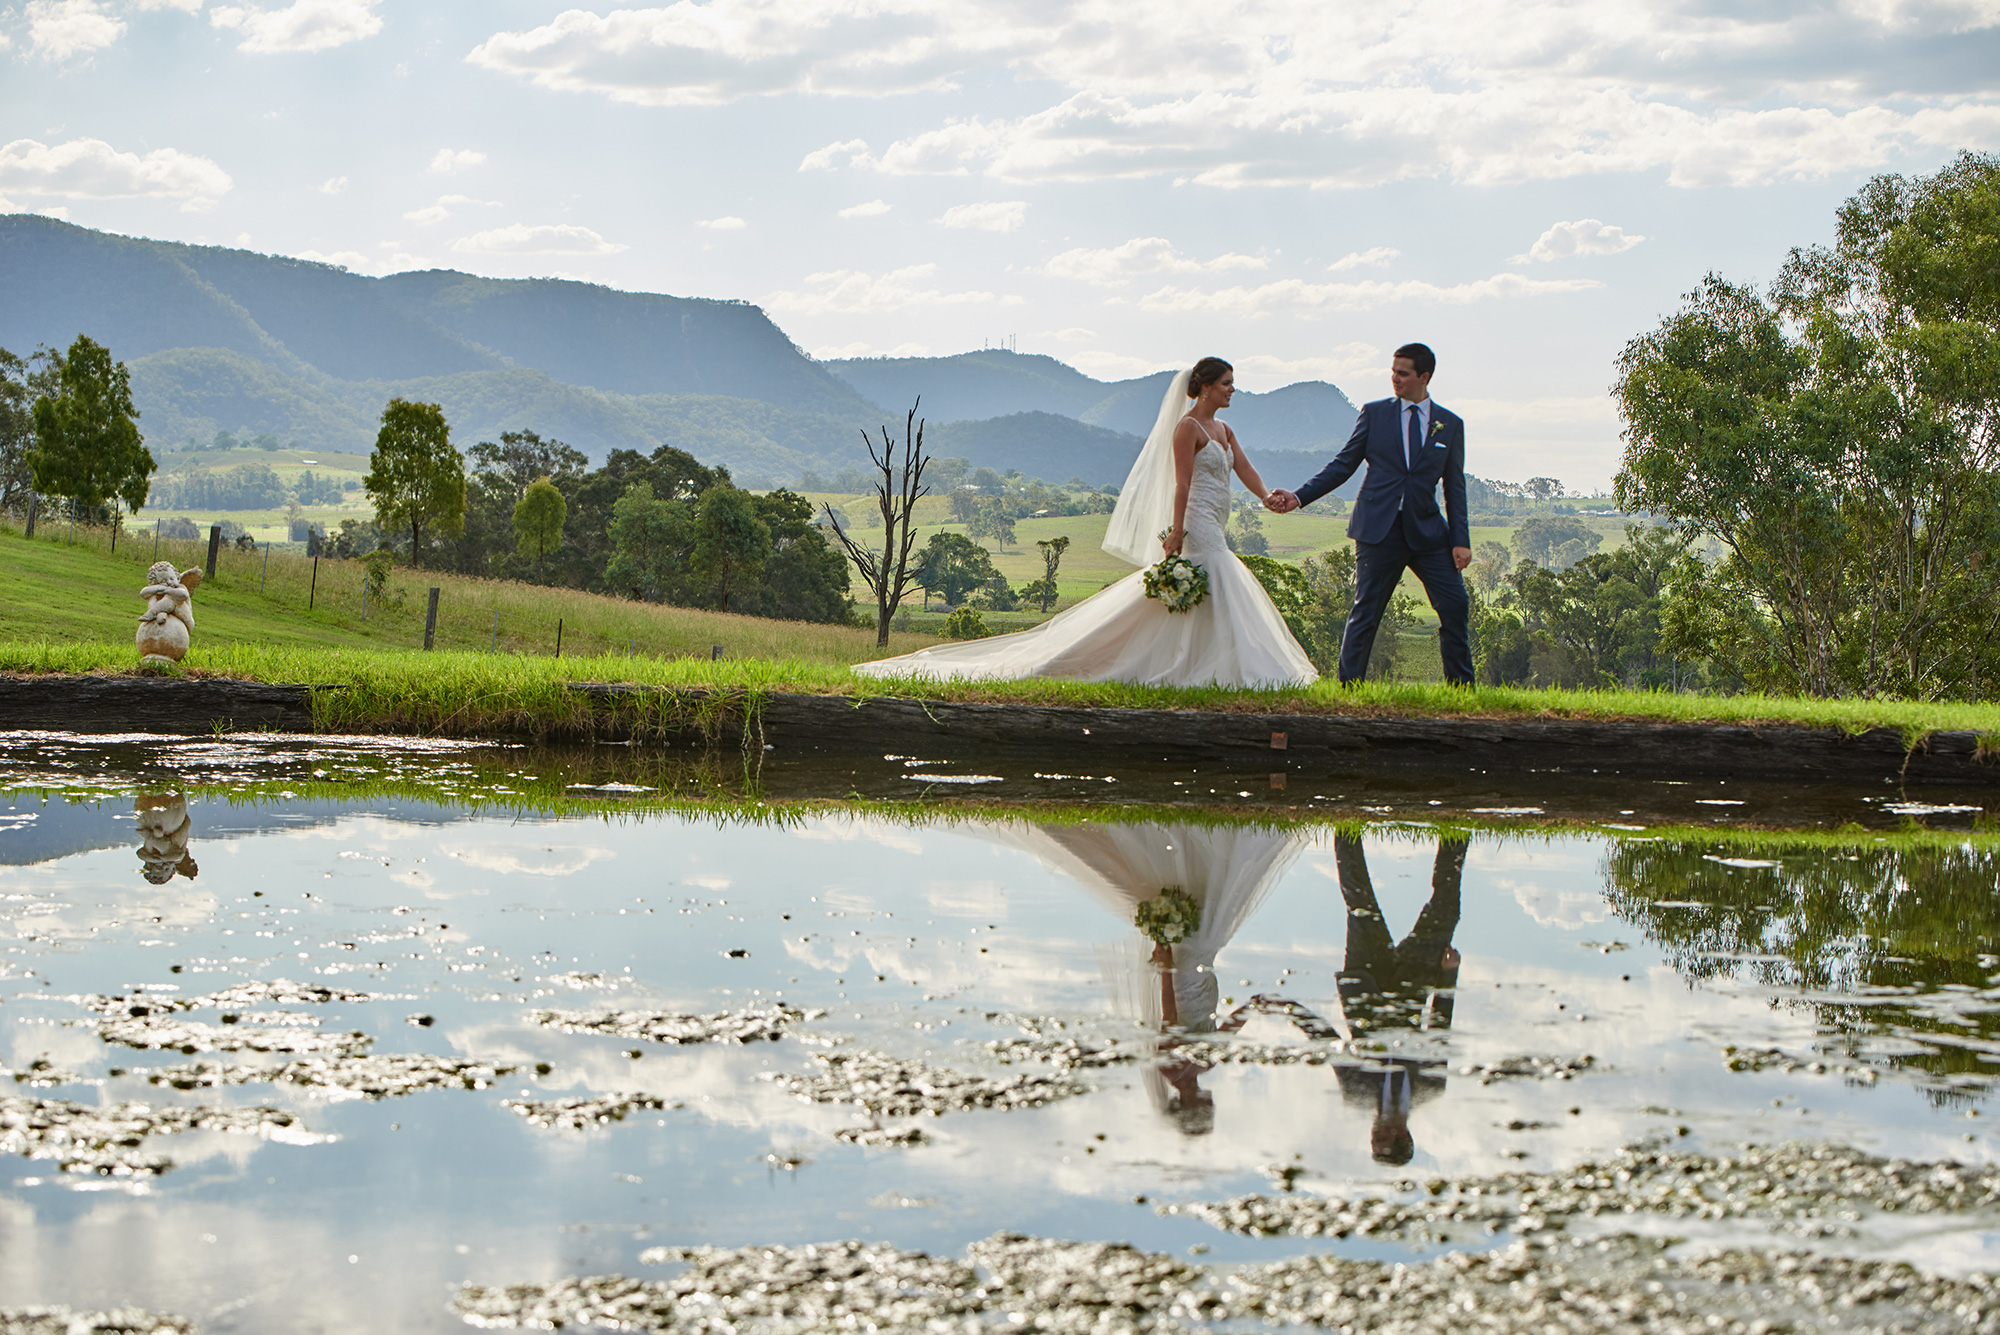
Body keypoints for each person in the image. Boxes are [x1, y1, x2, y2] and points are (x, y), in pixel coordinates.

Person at [853, 358, 1315, 689]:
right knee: (1216, 579)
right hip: (1197, 521)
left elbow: (1244, 468)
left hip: (1218, 516)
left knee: (1212, 588)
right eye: (1228, 383)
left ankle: (1212, 668)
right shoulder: (1187, 429)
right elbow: (1180, 485)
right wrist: (1176, 532)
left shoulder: (1224, 430)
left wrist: (1267, 496)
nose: (1233, 390)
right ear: (1207, 387)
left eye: (1233, 383)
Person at [1266, 343, 1473, 685]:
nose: (1395, 378)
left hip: (1429, 534)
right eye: (1393, 371)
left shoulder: (1449, 425)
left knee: (1455, 606)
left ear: (1424, 376)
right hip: (1378, 530)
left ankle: (1463, 691)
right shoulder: (1374, 414)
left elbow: (1455, 486)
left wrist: (1460, 541)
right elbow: (1343, 464)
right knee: (1366, 612)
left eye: (1403, 373)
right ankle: (1349, 689)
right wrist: (1299, 496)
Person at [1329, 831, 1466, 1165]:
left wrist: (1287, 1009)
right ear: (1405, 1136)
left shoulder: (1357, 1092)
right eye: (1385, 1141)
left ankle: (1347, 826)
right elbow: (1439, 1030)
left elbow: (1326, 1044)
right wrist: (1449, 974)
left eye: (1374, 1142)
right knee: (1447, 911)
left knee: (1360, 906)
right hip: (1412, 983)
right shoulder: (1431, 1089)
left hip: (1366, 979)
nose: (1376, 1135)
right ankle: (1456, 832)